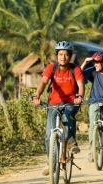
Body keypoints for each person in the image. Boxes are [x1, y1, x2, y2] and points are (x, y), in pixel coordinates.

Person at [33, 41, 85, 176]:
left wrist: (79, 96)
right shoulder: (52, 67)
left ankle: (72, 143)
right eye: (61, 54)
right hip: (53, 104)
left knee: (68, 116)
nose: (63, 57)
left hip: (71, 103)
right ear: (57, 55)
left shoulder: (75, 69)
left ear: (70, 56)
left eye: (66, 54)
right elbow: (43, 82)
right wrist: (37, 96)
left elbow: (80, 84)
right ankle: (50, 163)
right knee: (48, 134)